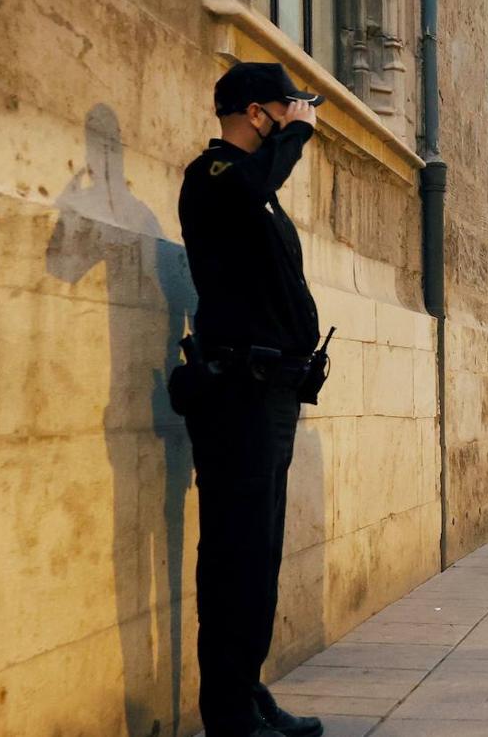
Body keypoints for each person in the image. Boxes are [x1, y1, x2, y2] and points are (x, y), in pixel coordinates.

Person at [176, 62, 327, 737]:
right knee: (235, 557)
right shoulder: (213, 176)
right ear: (254, 112)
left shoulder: (257, 191)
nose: (289, 123)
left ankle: (247, 690)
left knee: (259, 558)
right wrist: (294, 138)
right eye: (280, 111)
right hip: (236, 393)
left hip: (274, 393)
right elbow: (248, 185)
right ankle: (229, 714)